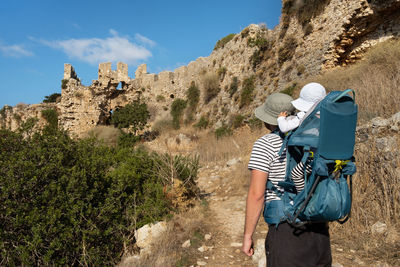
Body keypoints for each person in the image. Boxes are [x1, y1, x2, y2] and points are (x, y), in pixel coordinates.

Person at [241, 92, 332, 267]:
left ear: (268, 119)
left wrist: (247, 236)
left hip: (287, 230)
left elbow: (256, 194)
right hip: (320, 229)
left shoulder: (265, 144)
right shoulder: (314, 140)